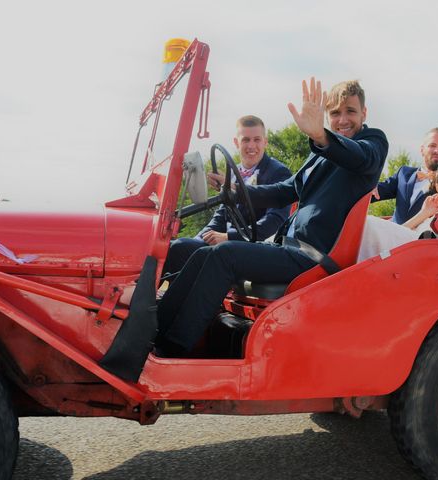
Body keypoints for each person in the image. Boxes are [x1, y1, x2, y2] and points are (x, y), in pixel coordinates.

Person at [155, 78, 388, 357]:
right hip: (287, 247)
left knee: (224, 255)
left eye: (350, 111)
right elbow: (286, 190)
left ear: (364, 114)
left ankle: (173, 350)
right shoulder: (319, 155)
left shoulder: (371, 142)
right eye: (335, 113)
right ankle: (155, 330)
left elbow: (363, 158)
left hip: (313, 256)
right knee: (203, 253)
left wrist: (321, 136)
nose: (343, 119)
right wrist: (237, 192)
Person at [162, 115, 291, 277]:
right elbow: (222, 216)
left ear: (265, 142)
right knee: (169, 247)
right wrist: (199, 239)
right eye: (245, 140)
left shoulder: (278, 172)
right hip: (229, 245)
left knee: (179, 249)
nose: (251, 146)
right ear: (237, 143)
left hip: (256, 248)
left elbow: (273, 221)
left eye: (257, 139)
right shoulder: (234, 174)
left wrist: (229, 237)